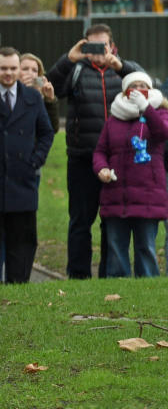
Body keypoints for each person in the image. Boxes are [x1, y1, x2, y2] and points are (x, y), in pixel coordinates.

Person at [46, 24, 141, 279]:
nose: (99, 51)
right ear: (84, 46)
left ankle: (110, 274)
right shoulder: (75, 71)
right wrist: (69, 59)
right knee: (80, 221)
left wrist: (119, 65)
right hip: (82, 157)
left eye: (104, 45)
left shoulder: (122, 71)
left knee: (112, 221)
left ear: (112, 46)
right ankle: (78, 276)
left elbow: (146, 86)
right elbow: (50, 85)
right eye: (93, 45)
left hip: (118, 160)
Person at [0, 47, 54, 285]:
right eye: (4, 68)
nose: (9, 73)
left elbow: (46, 133)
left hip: (23, 179)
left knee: (22, 242)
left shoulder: (33, 98)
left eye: (13, 68)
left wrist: (36, 160)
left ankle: (19, 289)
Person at [93, 72, 168, 277]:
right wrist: (101, 168)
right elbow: (100, 150)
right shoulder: (114, 119)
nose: (137, 88)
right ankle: (118, 287)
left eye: (142, 85)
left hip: (148, 194)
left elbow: (162, 133)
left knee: (146, 247)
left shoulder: (160, 113)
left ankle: (148, 285)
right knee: (116, 247)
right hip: (116, 193)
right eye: (132, 86)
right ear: (125, 91)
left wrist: (146, 107)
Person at [19, 53, 60, 133]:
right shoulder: (9, 93)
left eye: (34, 70)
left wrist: (49, 100)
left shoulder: (39, 96)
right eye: (25, 69)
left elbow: (53, 129)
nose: (30, 73)